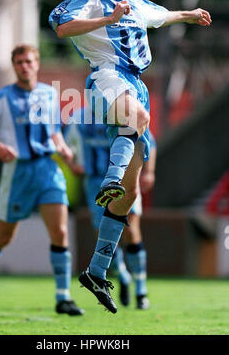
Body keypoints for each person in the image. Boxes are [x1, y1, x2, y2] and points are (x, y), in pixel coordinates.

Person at [49, 0, 211, 313]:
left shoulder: (135, 4)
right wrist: (105, 21)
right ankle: (109, 180)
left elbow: (161, 16)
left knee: (132, 192)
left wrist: (188, 14)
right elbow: (60, 26)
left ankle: (97, 271)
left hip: (136, 84)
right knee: (134, 119)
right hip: (105, 76)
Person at [0, 44, 84, 317]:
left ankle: (63, 297)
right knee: (4, 236)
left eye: (29, 61)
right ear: (14, 66)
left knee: (60, 232)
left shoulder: (49, 94)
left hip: (47, 169)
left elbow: (55, 132)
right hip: (18, 172)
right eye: (19, 62)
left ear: (37, 63)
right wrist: (0, 148)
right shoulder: (1, 98)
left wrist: (64, 150)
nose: (24, 66)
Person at [65, 106, 156, 310]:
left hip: (126, 179)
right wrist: (72, 164)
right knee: (103, 234)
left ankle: (141, 290)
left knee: (132, 231)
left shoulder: (127, 110)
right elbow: (66, 145)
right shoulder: (79, 118)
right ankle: (122, 274)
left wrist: (149, 171)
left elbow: (149, 140)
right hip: (95, 181)